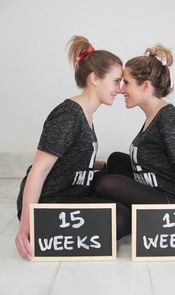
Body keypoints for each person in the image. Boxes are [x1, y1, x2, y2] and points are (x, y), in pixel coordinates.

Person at [94, 43, 175, 259]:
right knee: (116, 159)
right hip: (156, 185)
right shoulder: (153, 116)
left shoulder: (171, 122)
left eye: (126, 83)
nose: (121, 89)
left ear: (145, 86)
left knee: (106, 183)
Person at [15, 35, 131, 260]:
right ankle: (46, 227)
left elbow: (73, 157)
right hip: (50, 201)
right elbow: (39, 170)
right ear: (95, 78)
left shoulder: (86, 113)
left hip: (74, 192)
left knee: (117, 166)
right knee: (121, 218)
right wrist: (26, 229)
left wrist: (104, 165)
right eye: (116, 81)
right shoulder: (68, 115)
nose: (119, 89)